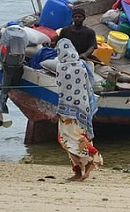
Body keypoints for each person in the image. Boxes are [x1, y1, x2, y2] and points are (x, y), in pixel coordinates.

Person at [55, 38, 103, 181]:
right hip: (83, 108)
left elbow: (60, 88)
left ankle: (90, 160)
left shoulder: (60, 67)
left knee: (65, 139)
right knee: (79, 137)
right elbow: (89, 84)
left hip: (66, 110)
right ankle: (84, 166)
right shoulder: (82, 66)